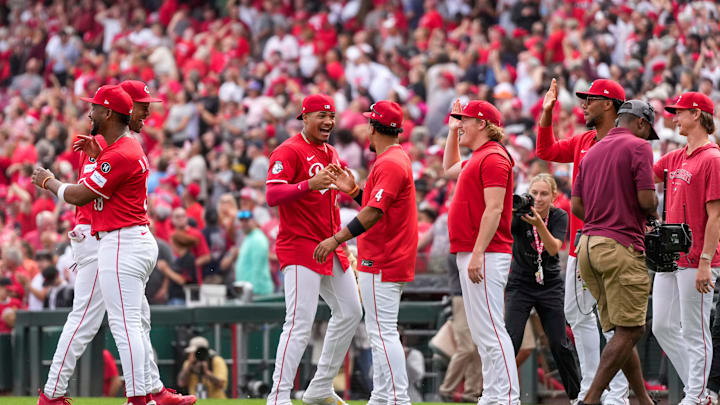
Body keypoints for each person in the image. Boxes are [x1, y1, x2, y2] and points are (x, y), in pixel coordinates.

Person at [35, 82, 195, 405]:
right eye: (142, 105)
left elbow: (81, 194)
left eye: (94, 107)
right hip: (109, 237)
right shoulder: (111, 144)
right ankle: (145, 391)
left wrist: (49, 182)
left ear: (111, 111)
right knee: (119, 321)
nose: (146, 112)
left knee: (124, 325)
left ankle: (142, 394)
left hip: (118, 239)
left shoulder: (119, 148)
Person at [314, 100, 418, 405]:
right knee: (381, 331)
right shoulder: (394, 158)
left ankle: (398, 398)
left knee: (382, 333)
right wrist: (355, 192)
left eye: (369, 124)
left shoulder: (390, 162)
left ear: (375, 128)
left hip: (384, 255)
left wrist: (336, 239)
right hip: (391, 253)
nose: (366, 131)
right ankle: (383, 397)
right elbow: (379, 208)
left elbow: (373, 214)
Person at [536, 78, 630, 404]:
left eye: (589, 99)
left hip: (614, 243)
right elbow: (546, 150)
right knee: (576, 315)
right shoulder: (583, 140)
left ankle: (616, 394)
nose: (584, 105)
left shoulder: (626, 142)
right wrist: (547, 113)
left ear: (608, 104)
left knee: (613, 321)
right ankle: (592, 389)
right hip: (580, 244)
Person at [264, 94, 362, 405]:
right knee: (299, 322)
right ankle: (277, 397)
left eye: (331, 116)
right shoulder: (288, 150)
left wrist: (351, 190)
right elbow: (272, 195)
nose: (328, 122)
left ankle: (319, 388)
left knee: (350, 311)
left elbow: (336, 191)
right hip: (299, 244)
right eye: (321, 116)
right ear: (304, 118)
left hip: (330, 244)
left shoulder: (331, 151)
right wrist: (309, 184)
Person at [572, 100, 659, 405]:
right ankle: (592, 398)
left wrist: (604, 214)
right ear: (640, 123)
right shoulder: (638, 147)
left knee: (622, 331)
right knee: (632, 330)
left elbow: (576, 207)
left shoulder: (592, 150)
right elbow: (647, 199)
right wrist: (651, 213)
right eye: (648, 132)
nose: (648, 138)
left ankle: (644, 400)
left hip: (588, 246)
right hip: (620, 244)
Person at [443, 99, 520, 405]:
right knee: (482, 333)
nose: (460, 124)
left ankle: (507, 397)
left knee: (491, 330)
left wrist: (477, 253)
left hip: (486, 254)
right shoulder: (480, 156)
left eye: (465, 121)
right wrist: (451, 133)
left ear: (483, 124)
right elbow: (449, 168)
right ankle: (493, 394)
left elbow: (495, 209)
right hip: (474, 252)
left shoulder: (494, 158)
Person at [651, 92, 720, 405]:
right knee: (662, 326)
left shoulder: (713, 158)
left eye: (678, 112)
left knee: (695, 329)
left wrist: (706, 260)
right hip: (669, 255)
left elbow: (717, 215)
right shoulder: (678, 156)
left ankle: (696, 394)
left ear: (696, 114)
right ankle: (701, 390)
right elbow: (644, 173)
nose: (674, 117)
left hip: (697, 258)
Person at [504, 173, 581, 400]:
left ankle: (576, 396)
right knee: (511, 339)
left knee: (559, 343)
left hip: (549, 283)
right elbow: (502, 230)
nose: (538, 198)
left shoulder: (559, 216)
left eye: (544, 193)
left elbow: (553, 248)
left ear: (553, 196)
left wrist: (539, 224)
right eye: (534, 193)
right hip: (520, 282)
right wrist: (511, 211)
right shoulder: (519, 214)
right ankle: (501, 394)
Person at [438, 254, 483, 403]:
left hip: (476, 297)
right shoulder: (455, 251)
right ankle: (447, 389)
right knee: (466, 347)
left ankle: (472, 392)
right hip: (461, 298)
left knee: (477, 347)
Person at [233, 210, 273, 296]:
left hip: (257, 293)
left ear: (254, 221)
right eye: (241, 220)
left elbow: (258, 269)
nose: (243, 223)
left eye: (247, 220)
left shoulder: (258, 239)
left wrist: (254, 292)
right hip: (248, 292)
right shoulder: (249, 237)